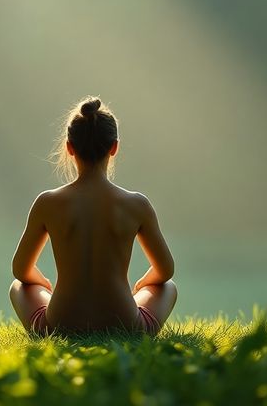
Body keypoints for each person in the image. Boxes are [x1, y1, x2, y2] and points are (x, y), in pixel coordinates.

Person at [9, 96, 177, 335]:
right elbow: (165, 270)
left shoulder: (47, 203)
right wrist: (142, 285)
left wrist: (43, 284)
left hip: (59, 326)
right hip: (126, 326)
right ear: (114, 147)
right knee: (168, 287)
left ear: (69, 148)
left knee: (19, 286)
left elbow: (20, 270)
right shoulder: (136, 204)